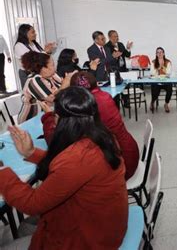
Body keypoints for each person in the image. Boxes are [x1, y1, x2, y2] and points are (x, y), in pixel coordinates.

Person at [0, 87, 128, 249]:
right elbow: (67, 170)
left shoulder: (78, 157)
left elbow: (32, 204)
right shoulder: (101, 137)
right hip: (106, 225)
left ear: (59, 119)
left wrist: (2, 172)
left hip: (92, 239)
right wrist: (32, 152)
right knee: (29, 226)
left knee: (22, 231)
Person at [37, 71, 139, 180]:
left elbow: (58, 143)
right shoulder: (105, 96)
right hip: (128, 153)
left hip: (118, 166)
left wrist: (48, 117)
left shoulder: (82, 107)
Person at [17, 51, 72, 124]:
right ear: (43, 68)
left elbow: (64, 87)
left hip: (47, 116)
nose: (55, 67)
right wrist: (65, 84)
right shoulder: (33, 81)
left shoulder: (52, 75)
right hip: (31, 120)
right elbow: (53, 99)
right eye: (52, 65)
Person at [14, 24, 55, 88]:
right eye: (33, 32)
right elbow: (32, 60)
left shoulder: (34, 44)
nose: (35, 34)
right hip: (27, 74)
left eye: (35, 32)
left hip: (38, 72)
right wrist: (45, 51)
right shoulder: (19, 46)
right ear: (25, 33)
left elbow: (41, 58)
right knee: (33, 94)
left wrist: (48, 52)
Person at [150, 47, 173, 113]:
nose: (159, 53)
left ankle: (166, 104)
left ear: (164, 53)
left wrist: (163, 69)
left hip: (165, 81)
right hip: (156, 81)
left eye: (161, 52)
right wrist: (157, 69)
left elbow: (169, 73)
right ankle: (152, 102)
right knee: (154, 89)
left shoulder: (168, 62)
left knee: (170, 88)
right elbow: (151, 73)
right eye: (158, 52)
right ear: (156, 54)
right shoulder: (153, 62)